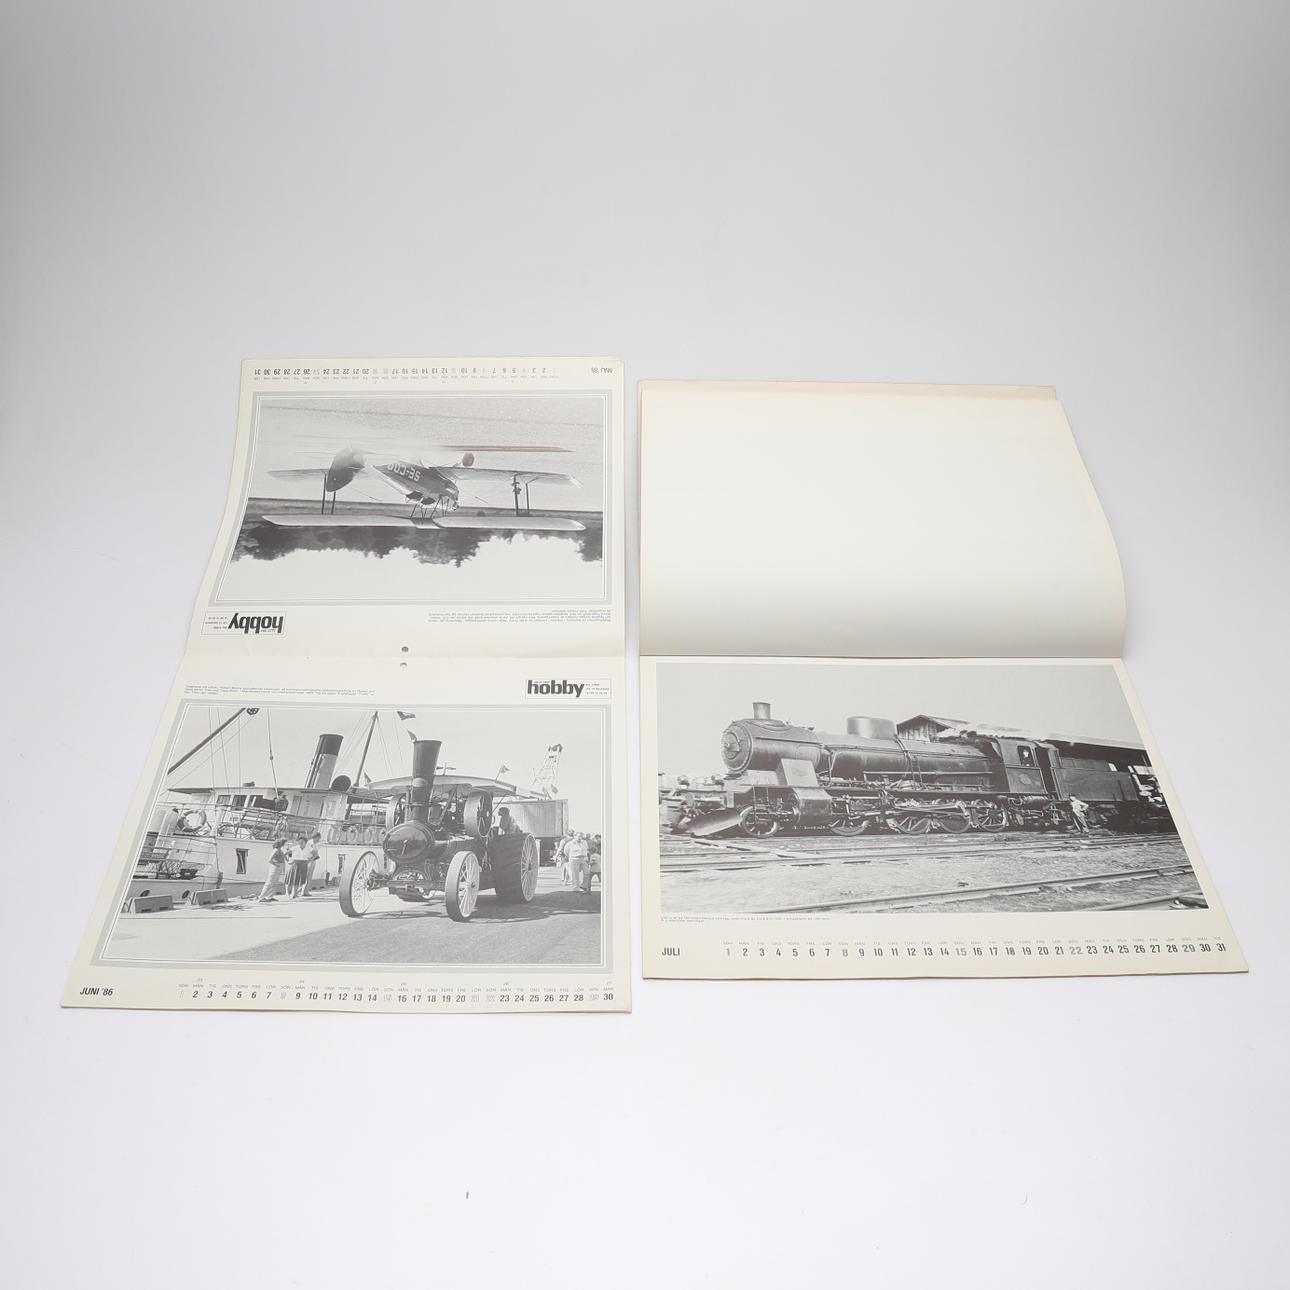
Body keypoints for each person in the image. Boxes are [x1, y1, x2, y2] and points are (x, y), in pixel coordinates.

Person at [299, 832, 322, 897]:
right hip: (310, 860)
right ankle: (304, 891)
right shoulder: (310, 843)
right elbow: (311, 852)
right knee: (308, 876)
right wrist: (312, 858)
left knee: (308, 876)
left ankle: (303, 890)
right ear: (316, 837)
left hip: (311, 860)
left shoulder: (313, 843)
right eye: (319, 838)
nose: (319, 839)